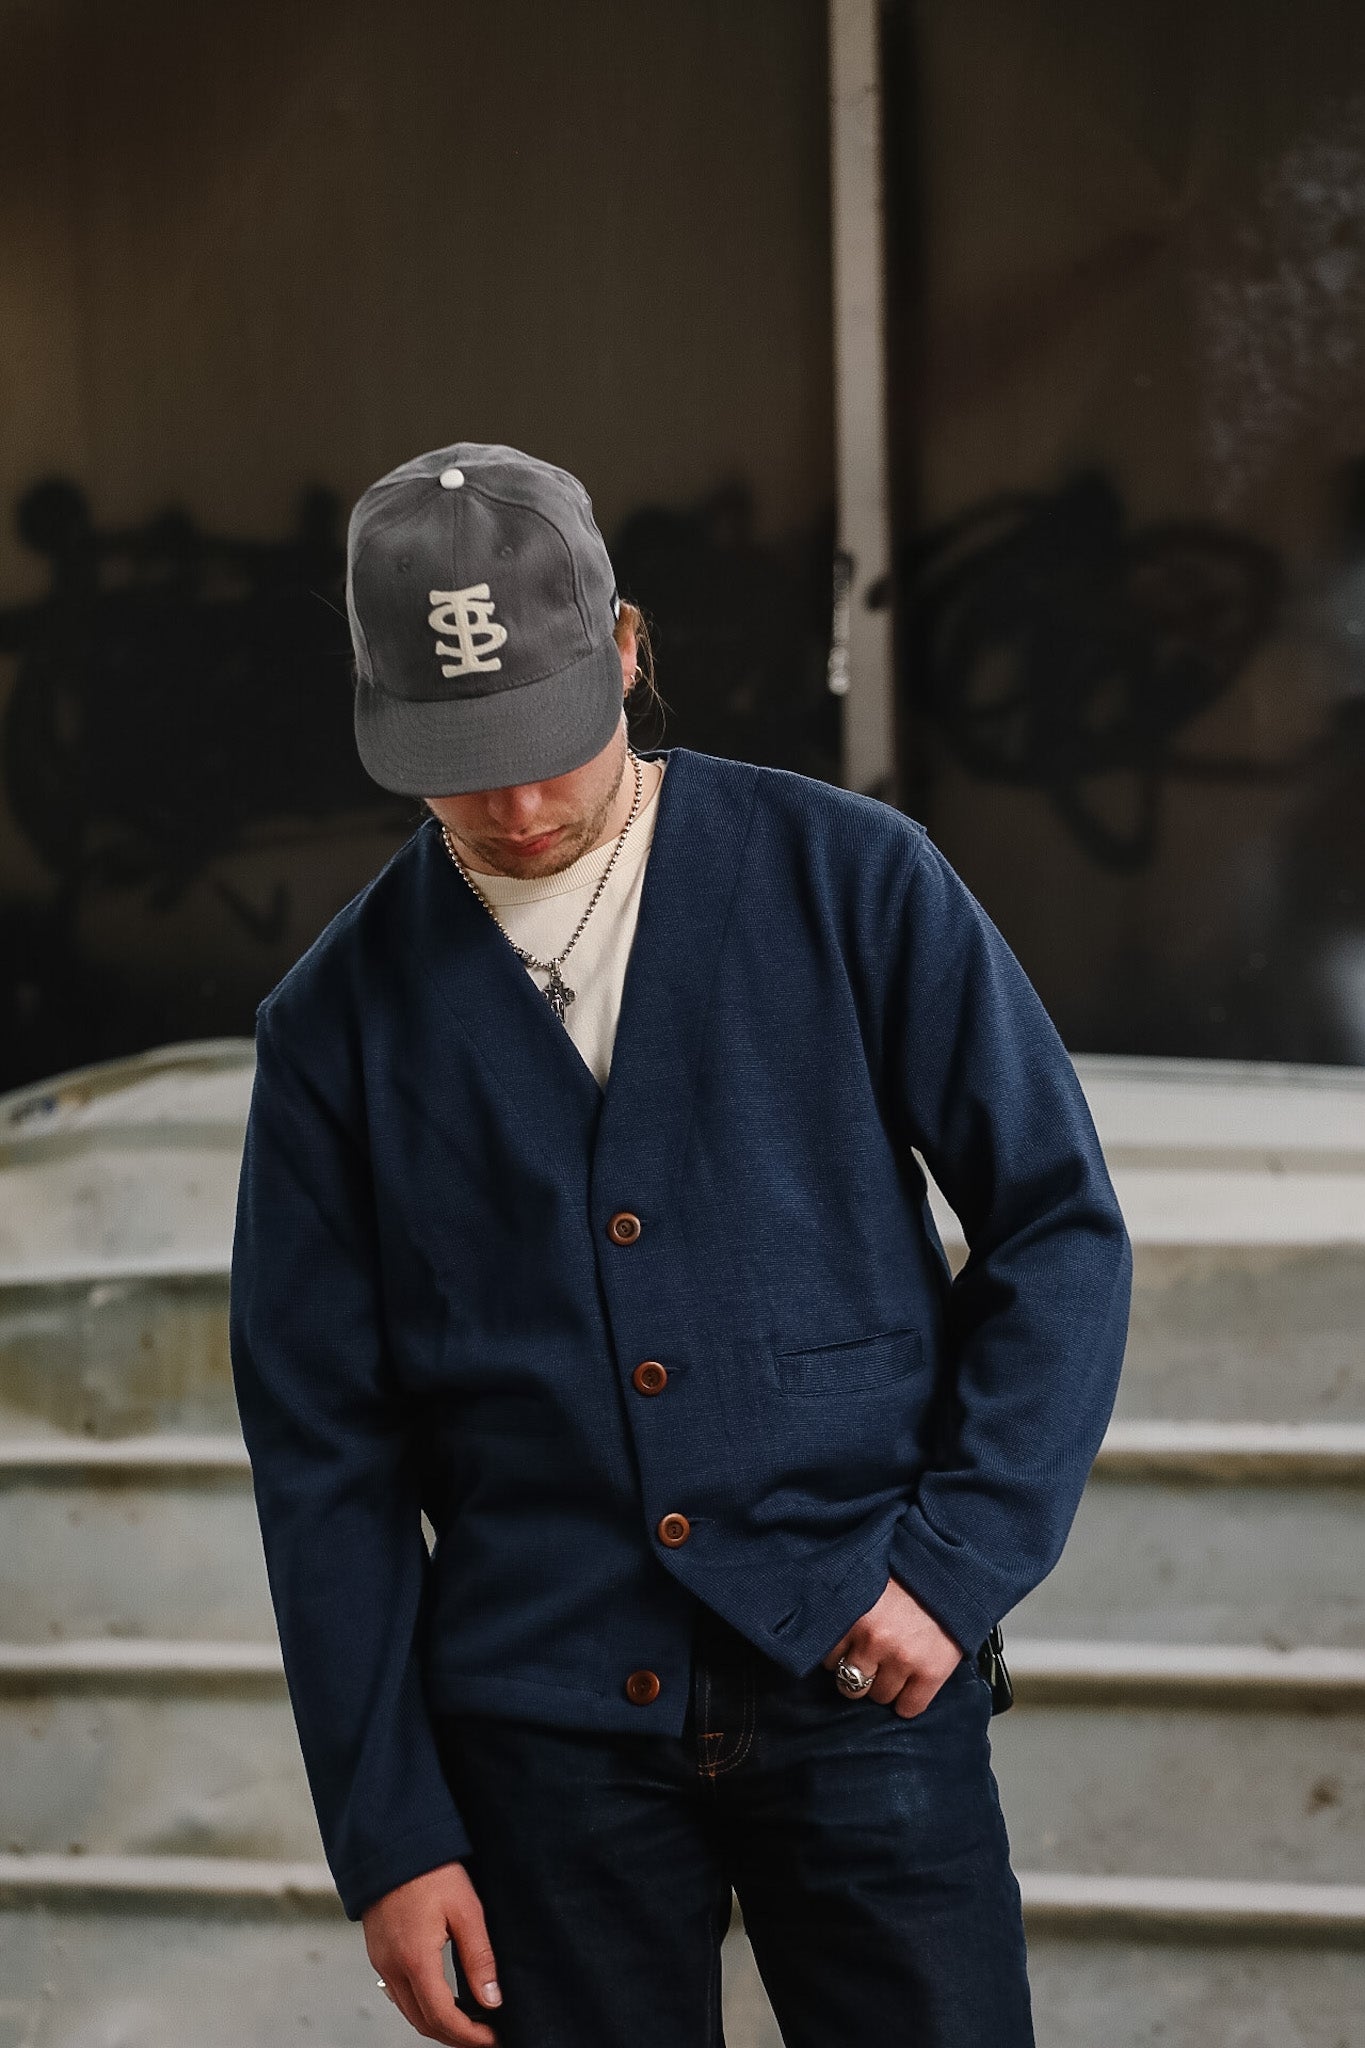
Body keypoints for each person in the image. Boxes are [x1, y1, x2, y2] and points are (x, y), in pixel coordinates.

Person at [229, 441, 1133, 2048]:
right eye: (460, 755)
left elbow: (1056, 1226)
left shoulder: (850, 879)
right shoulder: (331, 1026)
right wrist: (391, 1832)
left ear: (627, 653)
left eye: (549, 743)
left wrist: (954, 1560)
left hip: (864, 1681)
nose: (515, 805)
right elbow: (325, 1455)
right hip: (539, 1738)